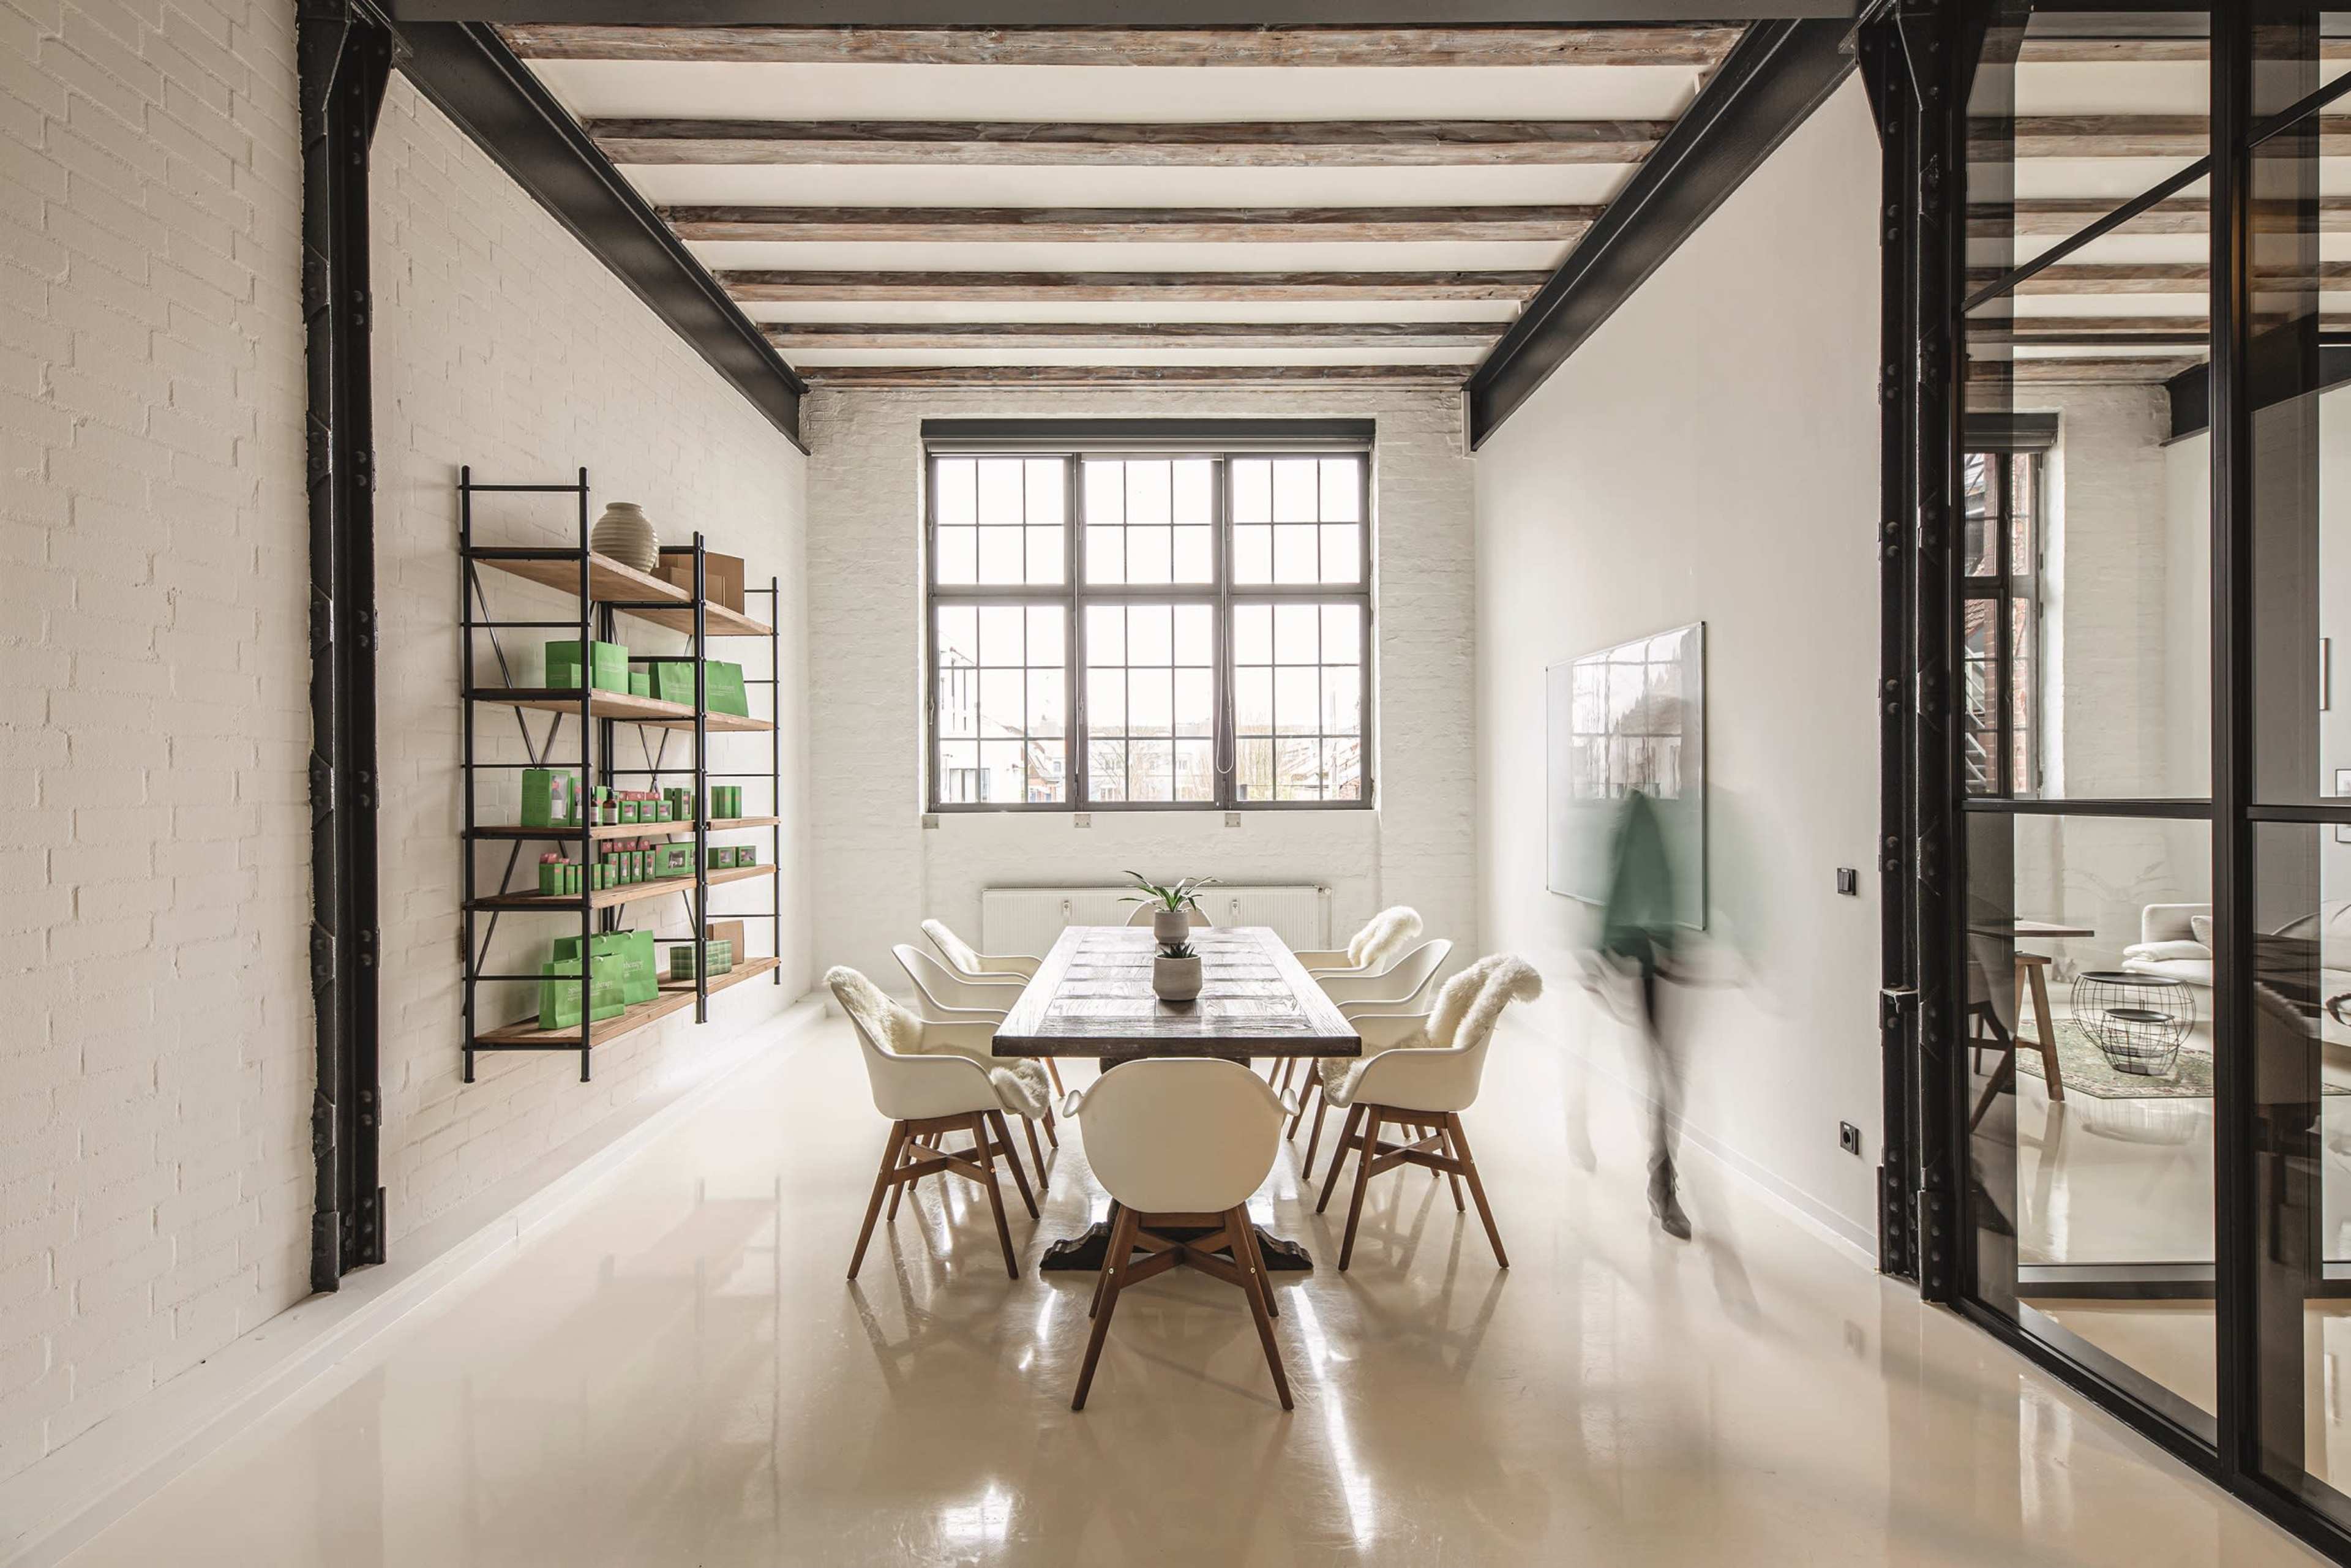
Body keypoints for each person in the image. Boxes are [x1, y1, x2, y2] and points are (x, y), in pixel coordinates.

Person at [1595, 788, 1692, 1240]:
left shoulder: (1686, 807)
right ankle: (1662, 1181)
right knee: (1663, 1069)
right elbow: (1618, 879)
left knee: (1668, 1069)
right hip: (1650, 952)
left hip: (1676, 947)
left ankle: (1661, 1178)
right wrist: (1607, 947)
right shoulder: (1637, 811)